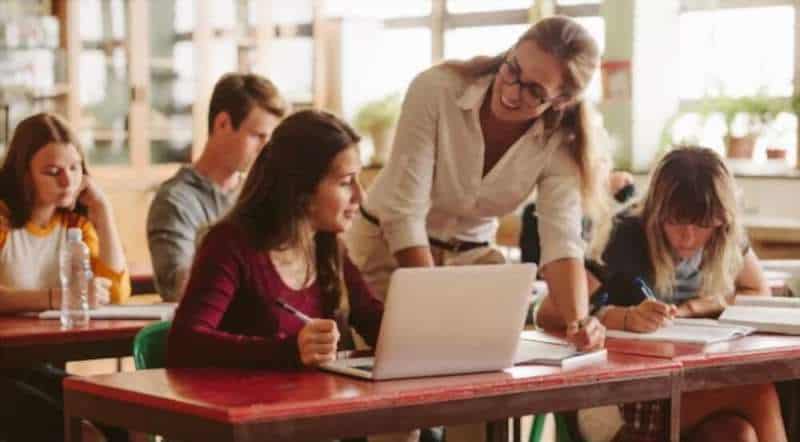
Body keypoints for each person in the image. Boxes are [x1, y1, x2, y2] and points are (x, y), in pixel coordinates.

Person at [345, 15, 607, 353]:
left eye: (534, 91)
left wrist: (580, 324)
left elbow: (561, 240)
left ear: (561, 101)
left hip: (470, 262)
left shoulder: (563, 138)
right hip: (387, 252)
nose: (512, 93)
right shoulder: (437, 88)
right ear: (510, 52)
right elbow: (404, 214)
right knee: (397, 371)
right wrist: (431, 305)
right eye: (513, 70)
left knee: (480, 377)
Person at [537, 146, 786, 442]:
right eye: (677, 221)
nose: (689, 237)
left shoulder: (724, 236)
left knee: (736, 434)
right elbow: (548, 312)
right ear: (656, 212)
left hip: (688, 383)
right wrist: (624, 317)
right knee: (756, 392)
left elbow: (757, 289)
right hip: (622, 397)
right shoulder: (625, 235)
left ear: (721, 219)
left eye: (702, 224)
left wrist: (694, 307)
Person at [166, 109, 383, 374]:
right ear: (302, 189)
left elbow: (374, 321)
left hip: (310, 407)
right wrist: (287, 351)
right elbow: (184, 344)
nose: (361, 197)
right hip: (247, 408)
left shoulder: (328, 247)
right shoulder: (230, 244)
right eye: (346, 182)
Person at [0, 112, 130, 442]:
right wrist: (55, 297)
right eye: (52, 172)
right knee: (78, 431)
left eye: (74, 168)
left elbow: (115, 291)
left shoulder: (75, 225)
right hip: (3, 368)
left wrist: (103, 212)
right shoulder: (2, 219)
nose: (67, 181)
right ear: (23, 175)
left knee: (119, 423)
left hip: (36, 363)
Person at [147, 73, 288, 301]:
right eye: (257, 136)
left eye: (269, 139)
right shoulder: (175, 201)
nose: (266, 149)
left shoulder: (260, 194)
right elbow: (178, 289)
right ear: (222, 123)